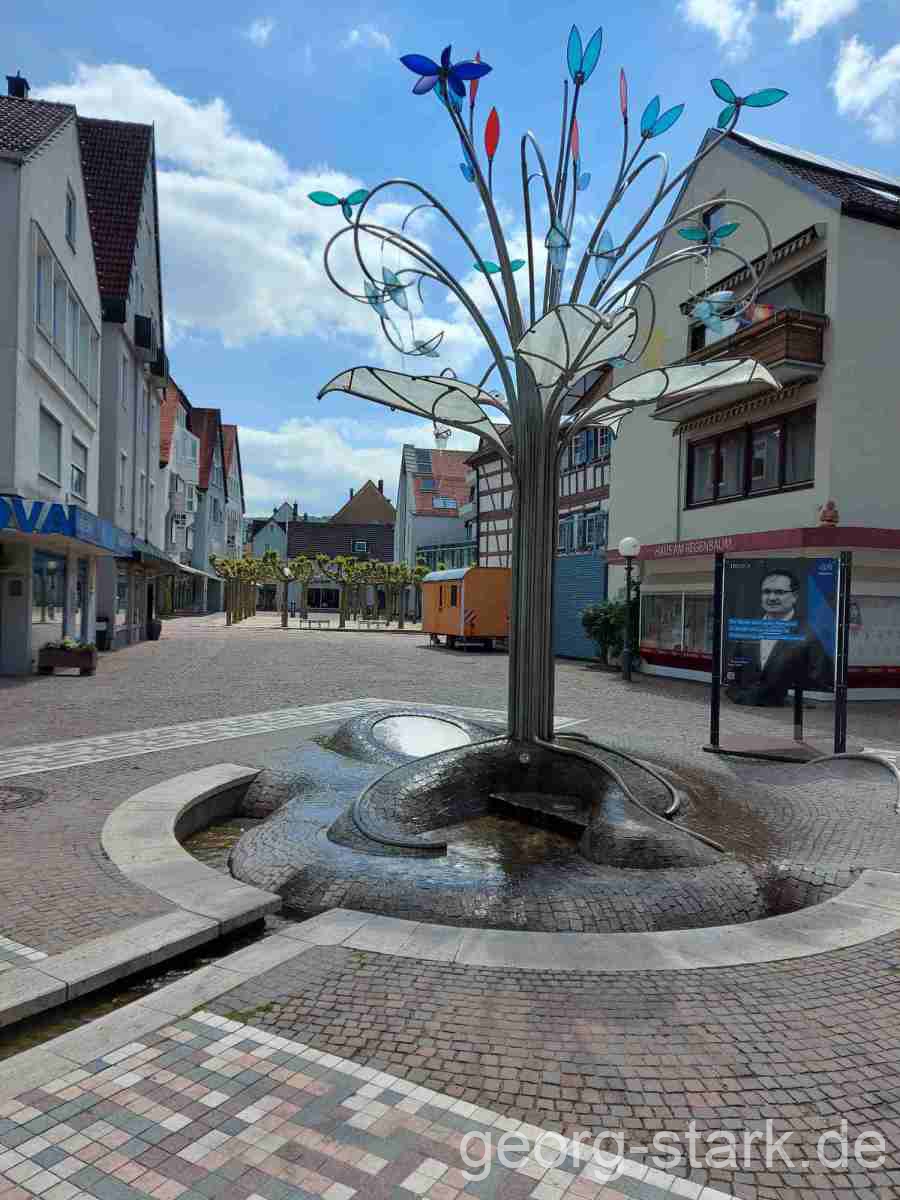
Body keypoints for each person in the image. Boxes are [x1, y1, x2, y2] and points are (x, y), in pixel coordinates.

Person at [725, 569, 833, 706]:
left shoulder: (812, 632)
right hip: (745, 709)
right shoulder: (748, 628)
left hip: (787, 712)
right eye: (766, 592)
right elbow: (733, 673)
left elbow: (820, 681)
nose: (771, 598)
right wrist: (739, 698)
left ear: (794, 596)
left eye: (779, 592)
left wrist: (790, 703)